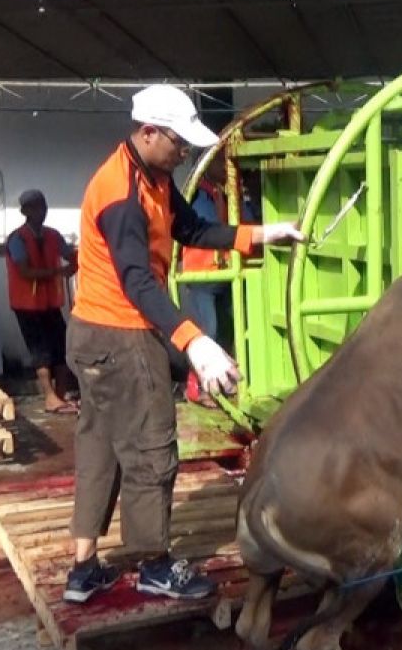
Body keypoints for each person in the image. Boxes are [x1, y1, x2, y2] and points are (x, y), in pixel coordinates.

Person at [63, 84, 304, 604]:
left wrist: (262, 234)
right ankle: (154, 564)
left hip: (91, 333)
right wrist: (195, 342)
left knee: (100, 445)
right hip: (120, 334)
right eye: (178, 143)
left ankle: (83, 570)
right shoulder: (123, 195)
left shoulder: (152, 175)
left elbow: (192, 229)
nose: (184, 153)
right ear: (148, 133)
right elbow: (139, 283)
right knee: (152, 444)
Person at [5, 189, 79, 414]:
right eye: (36, 206)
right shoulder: (16, 238)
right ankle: (49, 397)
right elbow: (25, 271)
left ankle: (61, 396)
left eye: (44, 205)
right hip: (26, 305)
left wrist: (78, 261)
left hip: (50, 302)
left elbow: (71, 256)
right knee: (40, 352)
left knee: (61, 347)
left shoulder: (53, 235)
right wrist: (59, 271)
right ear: (25, 211)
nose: (42, 211)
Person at [180, 153, 232, 408]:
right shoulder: (196, 197)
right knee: (206, 333)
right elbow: (208, 228)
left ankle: (219, 385)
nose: (228, 167)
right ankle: (195, 388)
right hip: (202, 275)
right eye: (222, 162)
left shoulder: (221, 194)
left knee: (226, 331)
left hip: (223, 274)